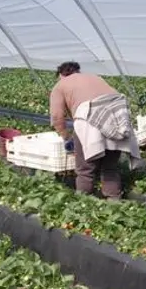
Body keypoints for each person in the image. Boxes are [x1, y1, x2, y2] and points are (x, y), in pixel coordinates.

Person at [49, 62, 141, 199]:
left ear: (61, 75)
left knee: (85, 169)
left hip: (90, 118)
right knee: (110, 167)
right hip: (117, 119)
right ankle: (114, 200)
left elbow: (57, 117)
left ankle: (84, 202)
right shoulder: (94, 77)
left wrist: (67, 137)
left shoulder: (60, 85)